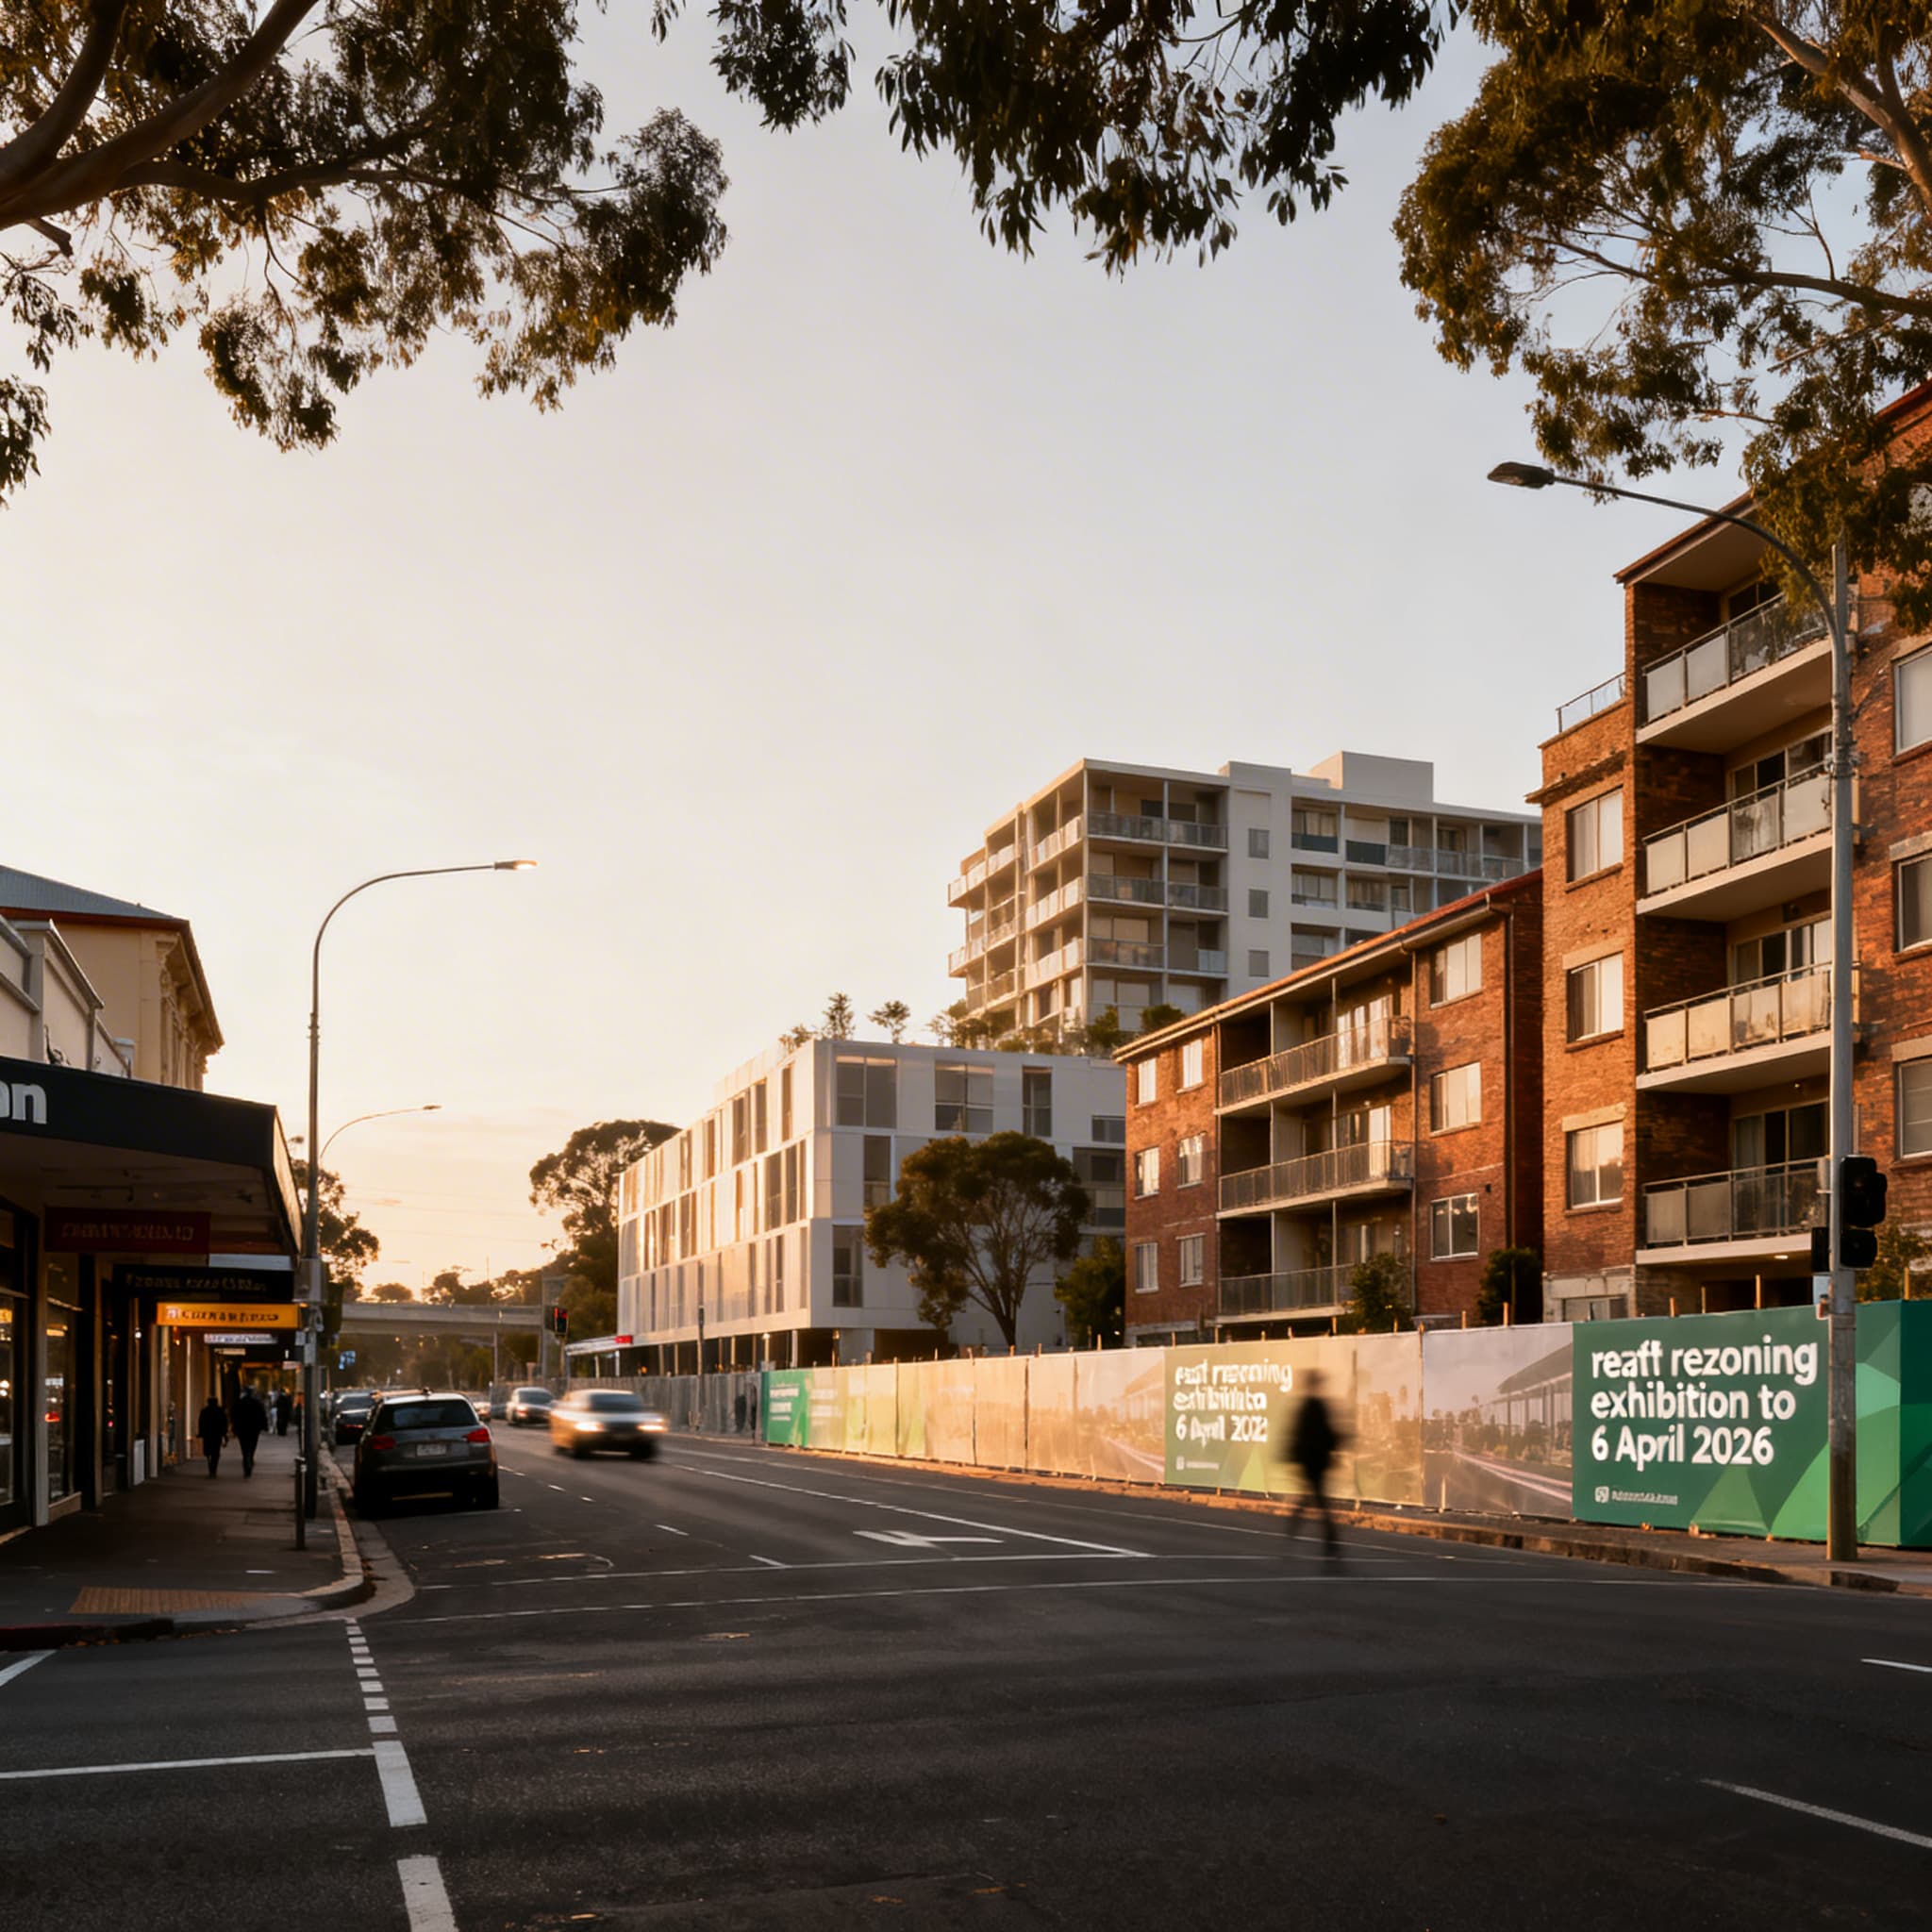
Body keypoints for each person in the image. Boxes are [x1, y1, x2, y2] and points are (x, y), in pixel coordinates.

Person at [1280, 1371, 1344, 1562]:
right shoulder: (1315, 1406)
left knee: (1308, 1501)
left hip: (1311, 1462)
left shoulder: (1307, 1406)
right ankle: (1330, 1543)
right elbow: (1322, 1433)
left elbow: (1298, 1434)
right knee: (1319, 1504)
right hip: (1315, 1462)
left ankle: (1295, 1536)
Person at [231, 1384, 270, 1478]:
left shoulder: (239, 1403)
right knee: (252, 1445)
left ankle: (246, 1461)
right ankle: (250, 1458)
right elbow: (262, 1415)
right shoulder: (256, 1403)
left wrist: (235, 1427)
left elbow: (234, 1416)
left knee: (244, 1448)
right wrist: (264, 1426)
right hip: (254, 1429)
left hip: (242, 1429)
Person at [197, 1394, 228, 1478]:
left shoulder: (205, 1411)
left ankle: (211, 1467)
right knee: (216, 1452)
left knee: (208, 1452)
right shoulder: (220, 1411)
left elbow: (201, 1423)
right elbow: (224, 1424)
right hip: (217, 1435)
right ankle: (213, 1468)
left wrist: (201, 1433)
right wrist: (225, 1435)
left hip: (208, 1435)